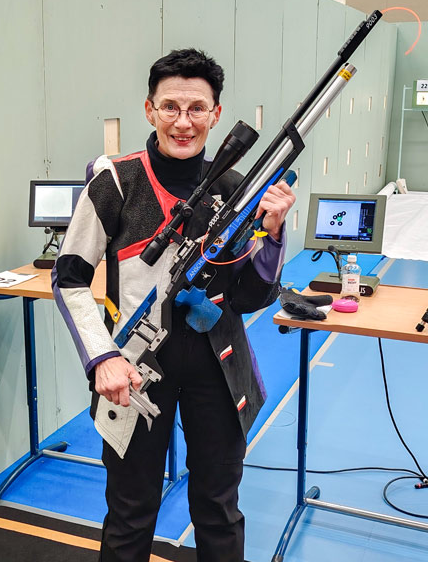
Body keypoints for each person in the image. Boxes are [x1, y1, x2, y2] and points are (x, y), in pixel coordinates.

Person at [53, 48, 295, 562]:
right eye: (170, 107)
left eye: (197, 109)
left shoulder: (237, 189)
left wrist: (273, 235)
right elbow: (69, 278)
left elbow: (250, 297)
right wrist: (102, 357)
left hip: (219, 366)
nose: (183, 123)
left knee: (219, 509)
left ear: (216, 115)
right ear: (150, 110)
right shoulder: (115, 181)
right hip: (135, 368)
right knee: (130, 513)